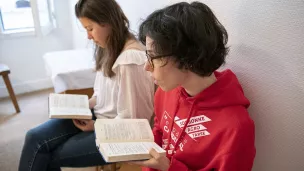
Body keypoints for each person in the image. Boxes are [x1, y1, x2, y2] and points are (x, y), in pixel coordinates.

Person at [18, 0, 154, 170]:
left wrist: (95, 126)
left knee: (47, 154)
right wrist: (79, 107)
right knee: (34, 137)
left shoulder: (130, 60)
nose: (88, 36)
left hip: (116, 132)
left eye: (90, 28)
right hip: (98, 116)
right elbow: (101, 95)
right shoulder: (109, 46)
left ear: (108, 22)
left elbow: (134, 122)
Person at [133, 1, 256, 171]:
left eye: (154, 57)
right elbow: (160, 131)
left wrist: (170, 168)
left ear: (187, 57)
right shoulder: (165, 92)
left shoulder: (235, 128)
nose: (147, 66)